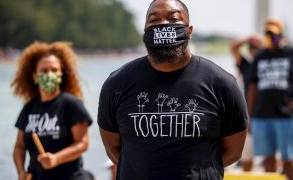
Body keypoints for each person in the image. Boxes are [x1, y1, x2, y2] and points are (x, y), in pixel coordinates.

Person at [98, 0, 248, 179]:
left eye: (173, 18)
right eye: (154, 20)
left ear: (189, 31)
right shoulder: (117, 84)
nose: (163, 24)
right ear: (145, 31)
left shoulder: (222, 83)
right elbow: (112, 148)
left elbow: (233, 151)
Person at [11, 41, 93, 180]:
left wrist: (56, 159)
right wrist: (20, 171)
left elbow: (82, 143)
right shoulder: (29, 108)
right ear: (35, 77)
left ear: (61, 74)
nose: (49, 74)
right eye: (44, 71)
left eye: (54, 70)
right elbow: (19, 147)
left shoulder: (71, 104)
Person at [246, 17, 293, 179]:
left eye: (274, 35)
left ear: (281, 35)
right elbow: (252, 87)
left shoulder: (290, 53)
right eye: (268, 35)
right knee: (267, 158)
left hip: (286, 116)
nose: (271, 39)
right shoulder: (260, 56)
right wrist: (249, 116)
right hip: (262, 115)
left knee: (289, 159)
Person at [230, 35, 263, 171]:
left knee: (267, 157)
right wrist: (250, 38)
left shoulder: (267, 63)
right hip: (248, 115)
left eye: (257, 48)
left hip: (266, 114)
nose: (254, 51)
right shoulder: (245, 65)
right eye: (252, 48)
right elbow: (234, 47)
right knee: (247, 158)